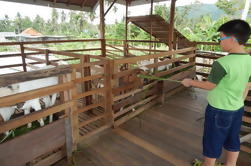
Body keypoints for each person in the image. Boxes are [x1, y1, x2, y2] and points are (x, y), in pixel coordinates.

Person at [182, 19, 251, 166]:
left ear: (232, 40)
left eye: (221, 38)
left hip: (218, 111)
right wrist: (240, 102)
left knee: (212, 141)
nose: (220, 42)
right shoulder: (249, 60)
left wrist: (190, 82)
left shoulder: (222, 63)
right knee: (233, 139)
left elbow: (209, 86)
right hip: (237, 109)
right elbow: (248, 84)